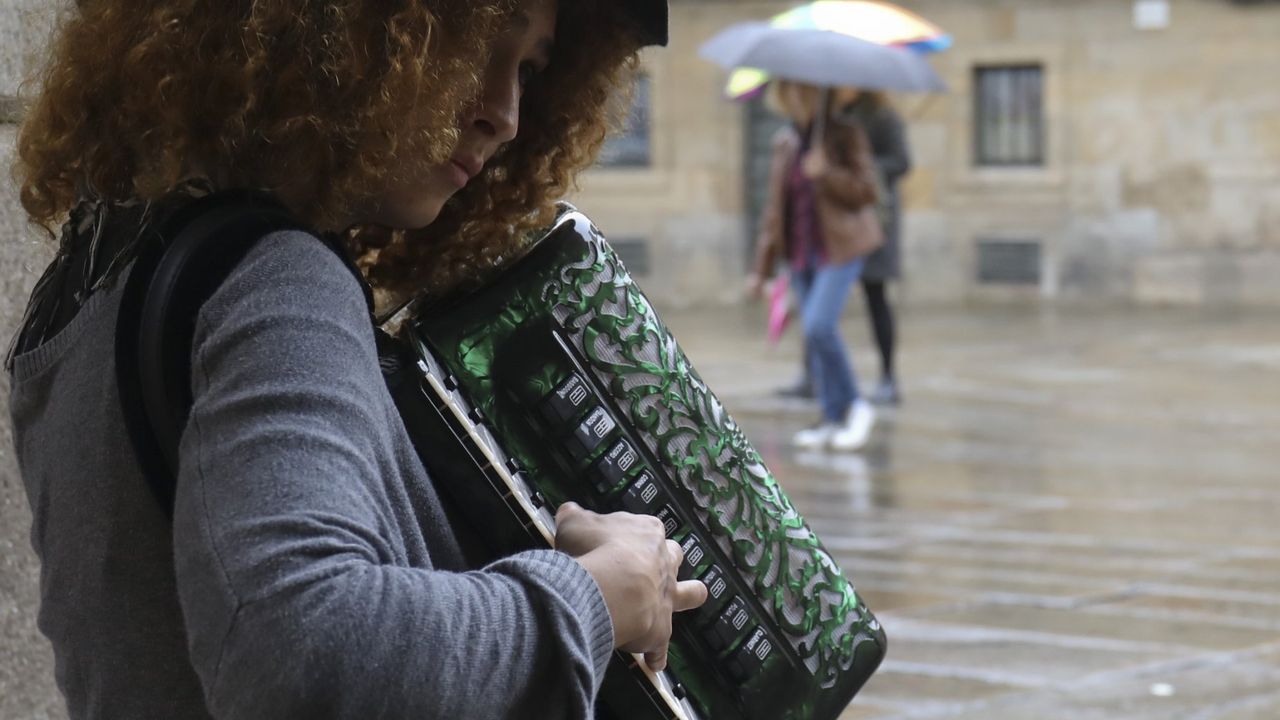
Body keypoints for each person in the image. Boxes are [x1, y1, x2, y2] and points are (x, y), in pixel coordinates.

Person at [6, 1, 705, 718]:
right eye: (476, 45)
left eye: (529, 69)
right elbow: (302, 653)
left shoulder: (89, 290)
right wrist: (593, 596)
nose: (506, 114)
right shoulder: (278, 281)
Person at [750, 81, 883, 451]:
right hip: (801, 253)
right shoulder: (785, 142)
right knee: (812, 335)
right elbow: (775, 211)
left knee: (820, 325)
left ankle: (857, 406)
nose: (792, 97)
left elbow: (867, 191)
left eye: (799, 89)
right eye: (786, 90)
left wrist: (826, 172)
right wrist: (761, 270)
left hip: (842, 248)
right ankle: (831, 416)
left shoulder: (844, 135)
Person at [775, 87, 911, 407]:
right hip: (830, 225)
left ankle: (887, 377)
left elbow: (901, 162)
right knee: (816, 312)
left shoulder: (881, 117)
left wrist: (862, 164)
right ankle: (812, 377)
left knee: (875, 298)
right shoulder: (825, 118)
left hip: (872, 220)